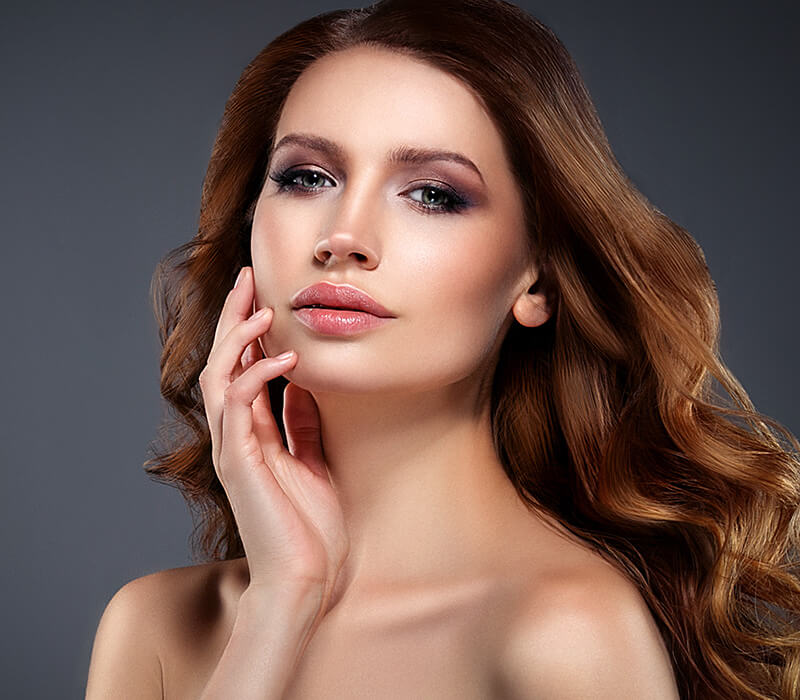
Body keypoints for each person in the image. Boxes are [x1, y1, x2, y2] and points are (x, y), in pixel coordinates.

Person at [85, 0, 800, 698]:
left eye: (432, 194)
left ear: (537, 279)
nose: (343, 236)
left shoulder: (568, 633)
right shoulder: (152, 627)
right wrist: (281, 605)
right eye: (307, 178)